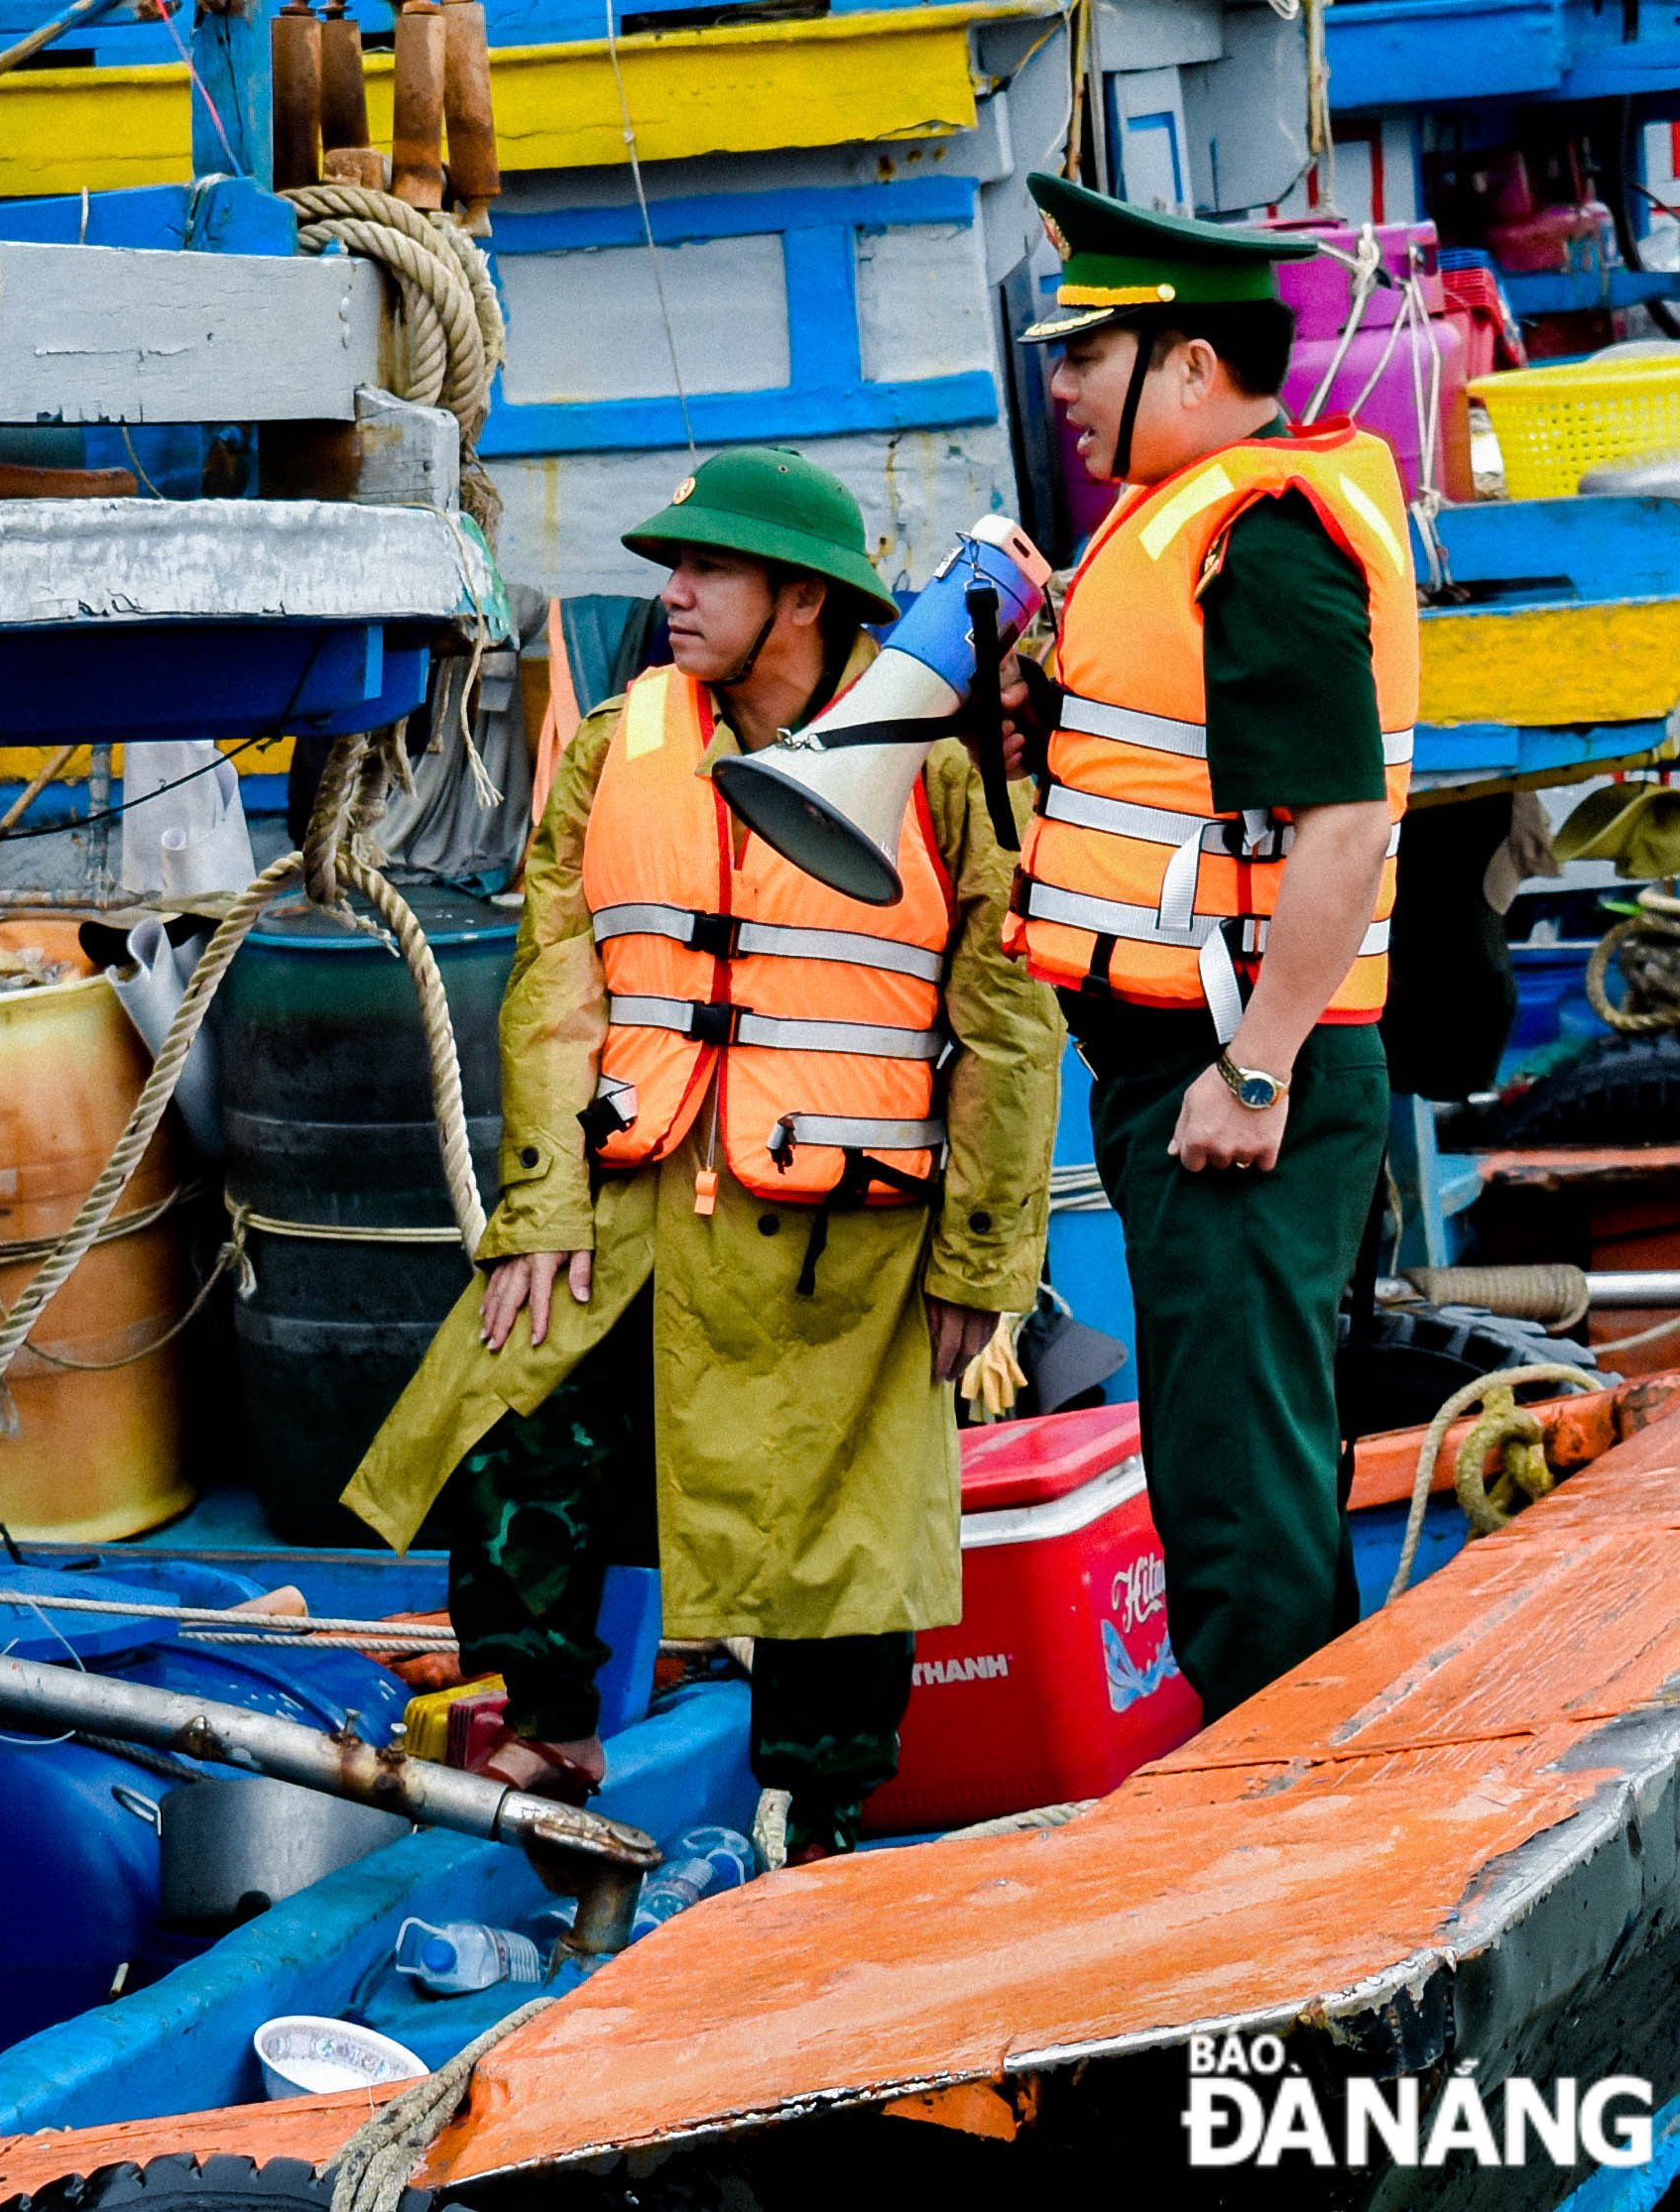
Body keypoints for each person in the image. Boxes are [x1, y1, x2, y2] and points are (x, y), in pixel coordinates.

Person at [341, 449, 1063, 1862]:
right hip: (633, 1197)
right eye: (670, 566)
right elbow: (557, 982)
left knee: (834, 1543)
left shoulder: (947, 768)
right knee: (510, 1431)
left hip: (838, 1244)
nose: (670, 595)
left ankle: (819, 1821)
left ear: (801, 597)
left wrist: (986, 1258)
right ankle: (551, 1742)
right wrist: (539, 1205)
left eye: (706, 569)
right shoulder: (619, 744)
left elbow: (1007, 1018)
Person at [1003, 175, 1415, 1720]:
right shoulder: (1173, 535)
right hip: (1190, 1069)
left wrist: (1254, 1068)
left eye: (1085, 352)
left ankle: (1277, 1812)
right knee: (1235, 1459)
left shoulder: (1269, 540)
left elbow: (1338, 829)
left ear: (1186, 366)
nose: (1059, 385)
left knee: (1238, 1488)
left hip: (1237, 1076)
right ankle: (1294, 1775)